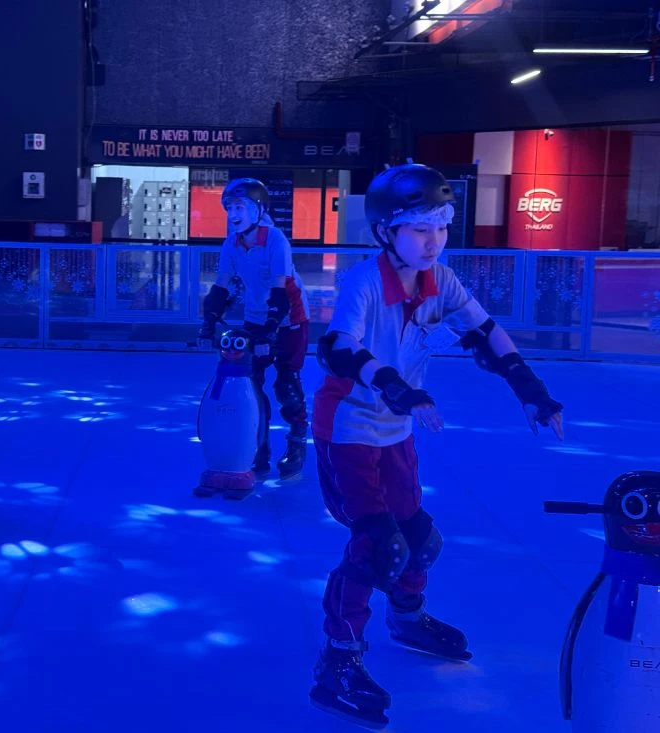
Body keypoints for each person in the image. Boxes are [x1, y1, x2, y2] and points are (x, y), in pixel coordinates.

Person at [309, 163, 564, 728]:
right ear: (386, 231)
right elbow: (339, 347)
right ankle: (338, 661)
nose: (434, 241)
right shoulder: (364, 282)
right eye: (421, 228)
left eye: (442, 227)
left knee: (419, 540)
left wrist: (529, 389)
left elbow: (485, 331)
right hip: (347, 429)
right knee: (378, 546)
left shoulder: (440, 280)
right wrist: (397, 387)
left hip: (395, 431)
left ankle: (406, 618)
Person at [197, 178, 310, 480]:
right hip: (255, 317)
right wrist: (209, 321)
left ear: (258, 210)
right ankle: (259, 447)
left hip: (290, 318)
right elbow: (221, 286)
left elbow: (280, 289)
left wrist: (272, 328)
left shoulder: (275, 240)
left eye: (240, 207)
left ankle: (297, 444)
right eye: (230, 208)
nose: (233, 214)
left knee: (286, 385)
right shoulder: (231, 243)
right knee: (250, 386)